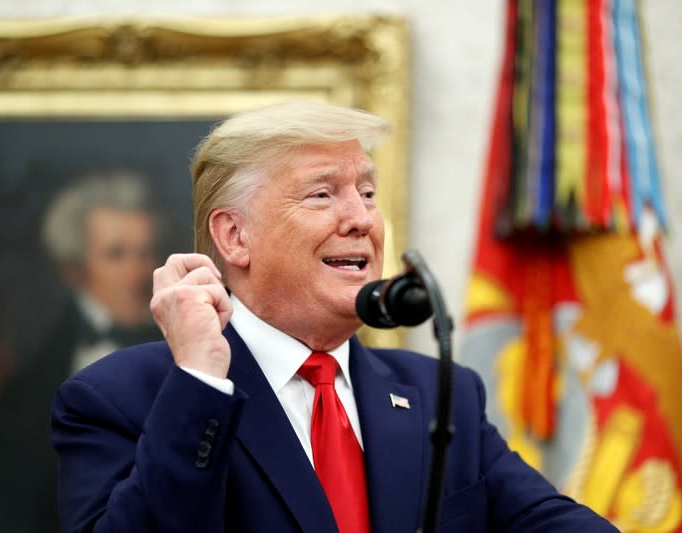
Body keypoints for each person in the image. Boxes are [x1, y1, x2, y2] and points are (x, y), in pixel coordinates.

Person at [51, 101, 618, 532]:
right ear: (234, 235)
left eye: (367, 193)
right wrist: (201, 379)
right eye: (322, 196)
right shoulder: (121, 398)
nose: (361, 219)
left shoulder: (439, 395)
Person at [0, 172, 163, 533]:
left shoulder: (190, 355)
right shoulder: (24, 393)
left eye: (146, 252)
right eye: (116, 254)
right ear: (73, 270)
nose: (140, 271)